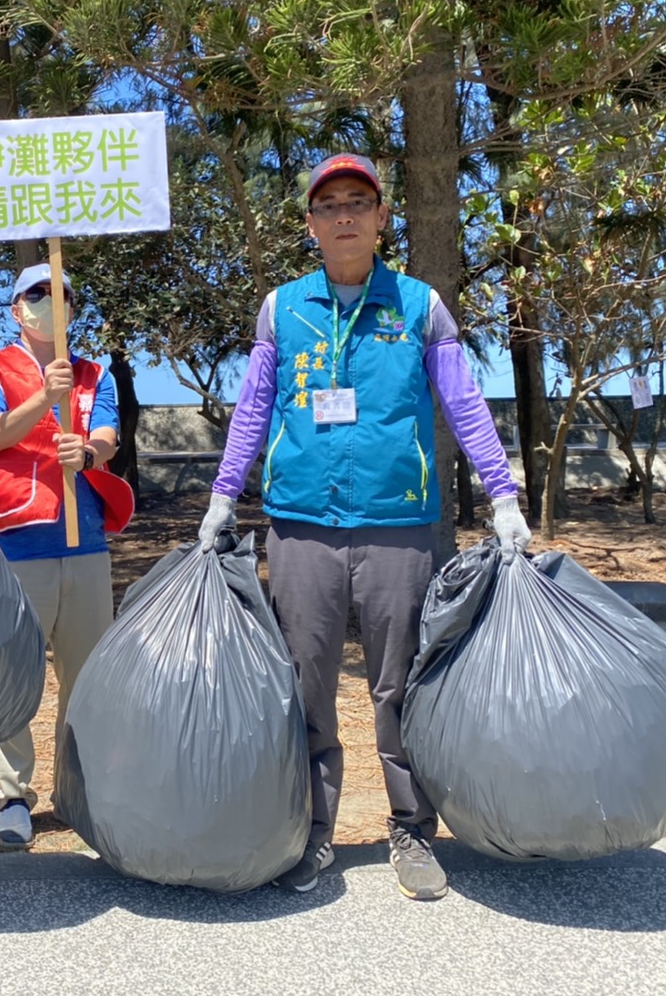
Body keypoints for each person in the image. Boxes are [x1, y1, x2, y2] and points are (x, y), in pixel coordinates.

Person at [198, 154, 532, 901]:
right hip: (302, 527)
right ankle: (311, 834)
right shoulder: (282, 308)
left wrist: (502, 495)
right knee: (305, 685)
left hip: (398, 526)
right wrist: (225, 494)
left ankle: (411, 830)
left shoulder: (419, 306)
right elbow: (254, 407)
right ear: (311, 224)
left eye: (359, 202)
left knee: (399, 686)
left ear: (382, 218)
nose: (344, 215)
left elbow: (464, 403)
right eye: (329, 205)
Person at [0, 263, 135, 848]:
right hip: (17, 544)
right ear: (16, 310)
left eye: (60, 294)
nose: (49, 303)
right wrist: (46, 396)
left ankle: (77, 791)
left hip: (84, 542)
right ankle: (13, 796)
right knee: (16, 675)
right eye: (36, 295)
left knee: (85, 677)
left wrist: (87, 454)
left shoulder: (97, 375)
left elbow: (109, 437)